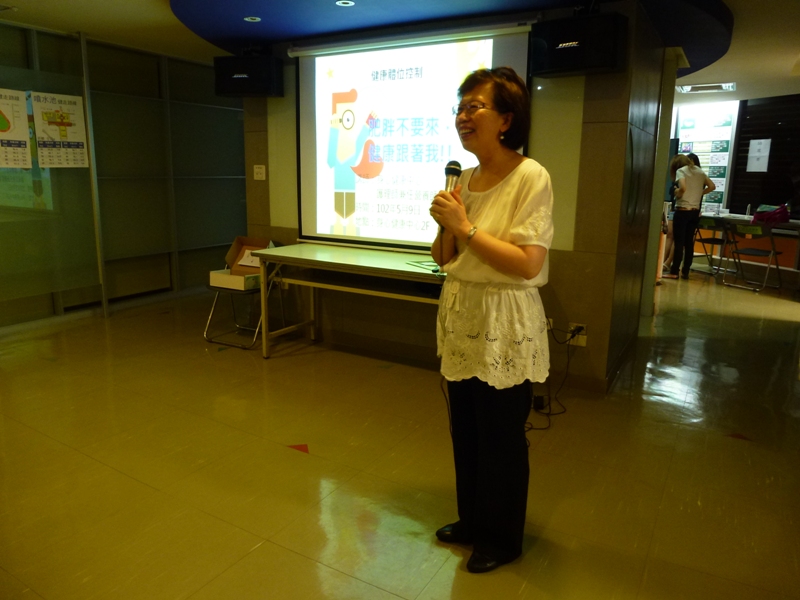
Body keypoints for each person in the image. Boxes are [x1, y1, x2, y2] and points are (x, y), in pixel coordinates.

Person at [429, 67, 553, 574]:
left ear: (506, 119)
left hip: (505, 318)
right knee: (466, 428)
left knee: (501, 435)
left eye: (474, 106)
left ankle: (502, 539)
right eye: (460, 107)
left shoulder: (531, 175)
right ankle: (473, 520)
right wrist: (446, 226)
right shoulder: (464, 178)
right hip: (463, 312)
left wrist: (465, 227)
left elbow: (528, 263)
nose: (463, 116)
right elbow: (443, 257)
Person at [664, 153, 715, 280]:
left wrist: (678, 193)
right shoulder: (700, 171)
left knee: (679, 242)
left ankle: (674, 272)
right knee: (689, 243)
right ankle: (685, 271)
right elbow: (712, 186)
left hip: (682, 211)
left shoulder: (681, 171)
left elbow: (683, 188)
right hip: (694, 212)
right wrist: (699, 193)